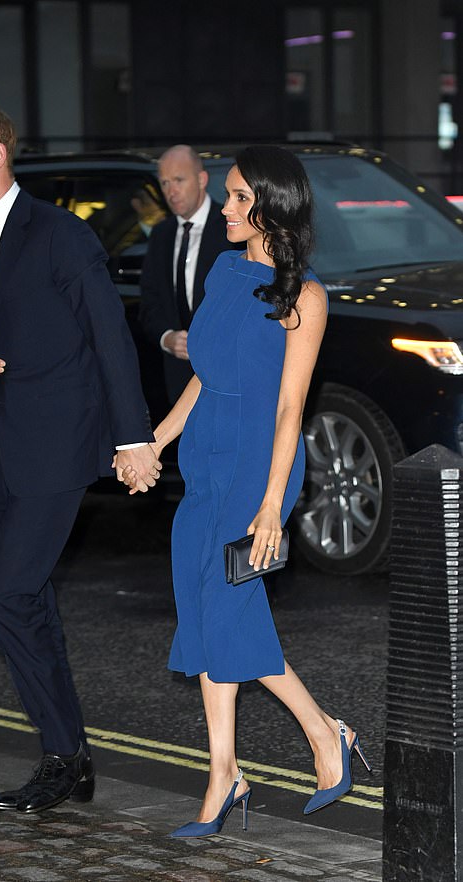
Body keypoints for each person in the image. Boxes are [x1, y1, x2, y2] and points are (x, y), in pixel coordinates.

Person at [123, 145, 371, 837]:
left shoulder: (307, 298)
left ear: (272, 204)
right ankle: (283, 749)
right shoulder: (226, 268)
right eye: (227, 196)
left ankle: (275, 754)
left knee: (227, 608)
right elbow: (205, 371)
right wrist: (159, 441)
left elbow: (291, 408)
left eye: (237, 198)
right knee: (209, 614)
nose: (225, 208)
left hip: (261, 467)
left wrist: (271, 505)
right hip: (206, 455)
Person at [0, 100, 160, 815]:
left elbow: (111, 340)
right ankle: (71, 761)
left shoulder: (62, 235)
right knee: (27, 601)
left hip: (59, 447)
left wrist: (134, 439)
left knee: (4, 599)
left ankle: (62, 753)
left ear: (0, 155)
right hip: (5, 445)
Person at [139, 145, 235, 405]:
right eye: (165, 183)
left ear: (202, 180)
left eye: (179, 180)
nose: (171, 191)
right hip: (175, 377)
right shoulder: (161, 235)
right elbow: (149, 303)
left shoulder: (231, 229)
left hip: (227, 372)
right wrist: (167, 338)